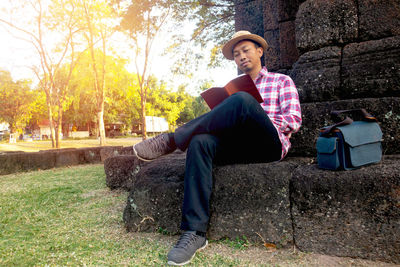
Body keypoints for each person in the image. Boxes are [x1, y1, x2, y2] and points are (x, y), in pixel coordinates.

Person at [133, 30, 302, 266]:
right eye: (236, 54)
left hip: (268, 144)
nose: (241, 56)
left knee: (243, 101)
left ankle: (173, 139)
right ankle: (194, 233)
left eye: (246, 50)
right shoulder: (234, 88)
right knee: (201, 142)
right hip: (238, 145)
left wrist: (254, 113)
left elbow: (294, 120)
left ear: (259, 51)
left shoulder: (281, 81)